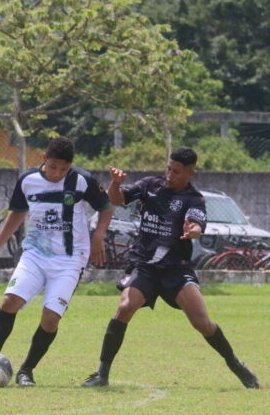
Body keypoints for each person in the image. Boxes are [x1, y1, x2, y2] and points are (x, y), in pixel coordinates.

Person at [82, 147, 259, 389]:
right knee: (125, 307)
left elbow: (197, 225)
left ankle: (236, 365)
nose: (169, 174)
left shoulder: (194, 199)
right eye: (168, 168)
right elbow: (116, 199)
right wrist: (114, 183)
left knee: (202, 323)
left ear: (189, 173)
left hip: (176, 269)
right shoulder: (149, 185)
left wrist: (192, 230)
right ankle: (102, 374)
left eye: (176, 171)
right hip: (145, 266)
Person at [0, 136, 112, 386]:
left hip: (70, 259)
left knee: (51, 318)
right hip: (36, 254)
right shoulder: (28, 180)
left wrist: (99, 236)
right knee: (10, 302)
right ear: (43, 160)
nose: (58, 173)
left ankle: (26, 370)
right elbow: (17, 212)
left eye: (63, 169)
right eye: (53, 167)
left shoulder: (82, 180)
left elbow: (106, 206)